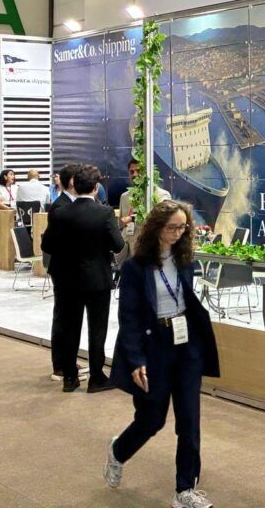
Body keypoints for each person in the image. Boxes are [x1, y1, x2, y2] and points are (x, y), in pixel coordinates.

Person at [105, 200, 219, 508]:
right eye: (172, 227)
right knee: (151, 419)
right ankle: (118, 451)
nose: (178, 233)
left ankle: (185, 489)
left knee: (189, 420)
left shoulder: (185, 260)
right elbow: (128, 317)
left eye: (183, 227)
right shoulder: (135, 267)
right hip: (153, 345)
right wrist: (135, 359)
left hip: (186, 344)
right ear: (156, 228)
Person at [42, 164, 123, 393]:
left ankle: (70, 378)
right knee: (97, 329)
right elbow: (118, 245)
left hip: (66, 280)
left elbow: (47, 245)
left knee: (70, 327)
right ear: (96, 187)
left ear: (74, 186)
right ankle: (96, 377)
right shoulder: (105, 213)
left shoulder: (60, 212)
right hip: (97, 279)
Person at [45, 163, 85, 382]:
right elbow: (50, 243)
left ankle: (68, 361)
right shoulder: (60, 207)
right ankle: (60, 365)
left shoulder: (72, 204)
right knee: (63, 317)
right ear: (72, 182)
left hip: (74, 270)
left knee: (72, 318)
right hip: (64, 270)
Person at [119, 158, 171, 259]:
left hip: (153, 251)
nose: (134, 174)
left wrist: (132, 218)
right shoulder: (124, 197)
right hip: (131, 253)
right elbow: (122, 225)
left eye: (139, 171)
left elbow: (160, 220)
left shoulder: (161, 195)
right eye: (131, 172)